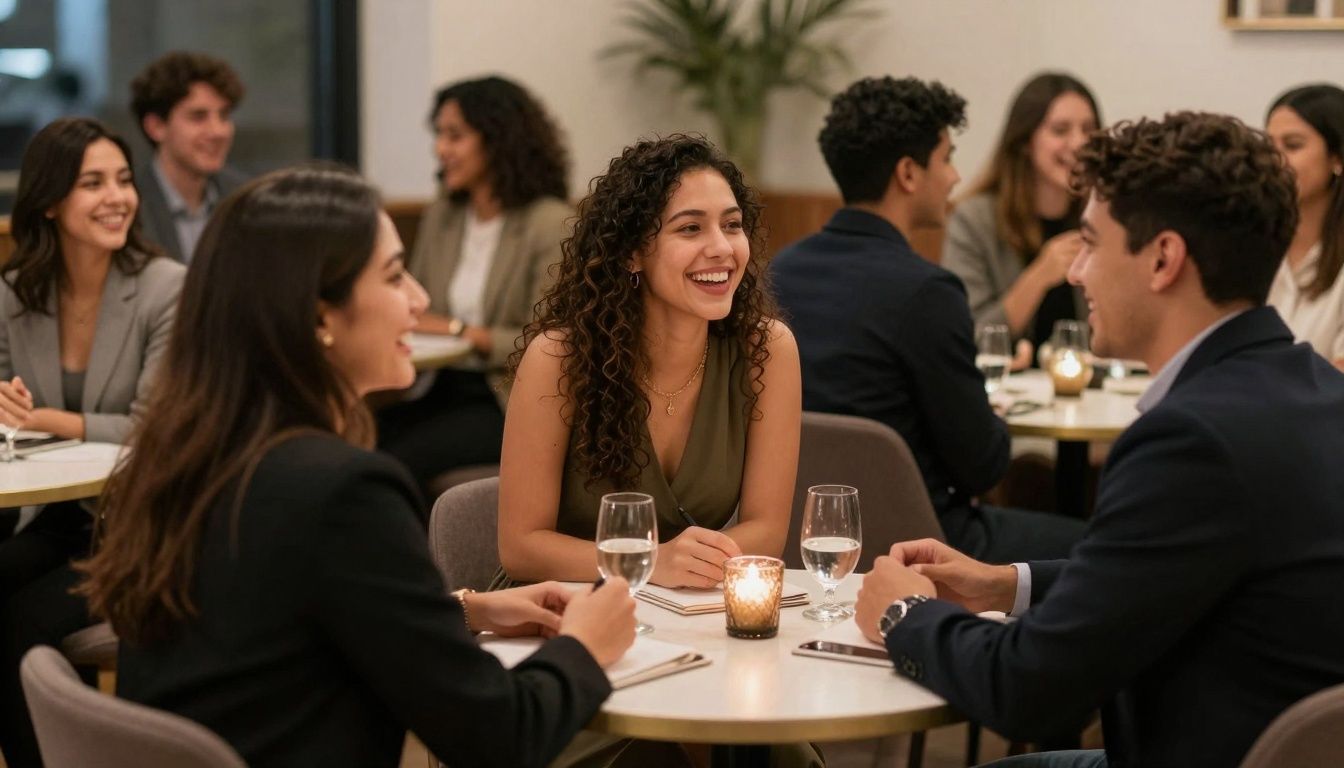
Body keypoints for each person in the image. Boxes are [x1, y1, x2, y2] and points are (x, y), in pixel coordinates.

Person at [75, 166, 637, 768]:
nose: (420, 301)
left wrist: (464, 609)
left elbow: (276, 622)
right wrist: (584, 644)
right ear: (319, 317)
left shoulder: (192, 456)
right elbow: (500, 737)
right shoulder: (341, 491)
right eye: (395, 276)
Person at [855, 112, 1344, 768]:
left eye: (1090, 243)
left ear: (1164, 259)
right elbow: (1159, 573)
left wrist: (904, 616)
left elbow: (1027, 690)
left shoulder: (1191, 438)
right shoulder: (1311, 385)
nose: (1077, 271)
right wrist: (1004, 584)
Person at [770, 76, 1084, 564]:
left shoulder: (778, 273)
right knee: (1096, 550)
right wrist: (993, 414)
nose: (955, 177)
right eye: (947, 158)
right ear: (909, 174)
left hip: (803, 538)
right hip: (924, 542)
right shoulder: (926, 292)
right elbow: (982, 465)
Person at [496, 134, 801, 588]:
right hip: (561, 611)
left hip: (686, 611)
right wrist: (651, 563)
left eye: (732, 225)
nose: (722, 248)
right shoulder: (557, 359)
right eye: (690, 228)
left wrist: (685, 569)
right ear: (632, 253)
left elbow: (767, 529)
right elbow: (521, 548)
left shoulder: (767, 350)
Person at [0, 117, 184, 768]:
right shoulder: (15, 294)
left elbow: (154, 425)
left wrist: (43, 418)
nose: (118, 197)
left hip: (137, 530)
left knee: (19, 625)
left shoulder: (166, 287)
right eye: (93, 183)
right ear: (50, 201)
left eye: (125, 180)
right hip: (48, 519)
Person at [377, 76, 572, 491]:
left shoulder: (548, 222)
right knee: (365, 438)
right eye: (439, 135)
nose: (440, 149)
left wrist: (461, 332)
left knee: (396, 462)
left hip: (506, 397)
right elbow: (419, 307)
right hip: (437, 383)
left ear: (497, 140)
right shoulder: (443, 215)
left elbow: (548, 339)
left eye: (454, 136)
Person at [943, 72, 1100, 359]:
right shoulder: (974, 221)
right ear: (1026, 142)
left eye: (1088, 130)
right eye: (1060, 130)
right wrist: (1038, 277)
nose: (1078, 143)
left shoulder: (1105, 218)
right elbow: (963, 339)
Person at [129, 50, 249, 263]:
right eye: (198, 117)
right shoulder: (128, 206)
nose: (218, 131)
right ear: (156, 126)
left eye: (224, 115)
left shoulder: (245, 199)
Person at [1265, 83, 1344, 368]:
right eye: (1268, 145)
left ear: (1337, 157)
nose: (1274, 160)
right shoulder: (1253, 244)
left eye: (1292, 145)